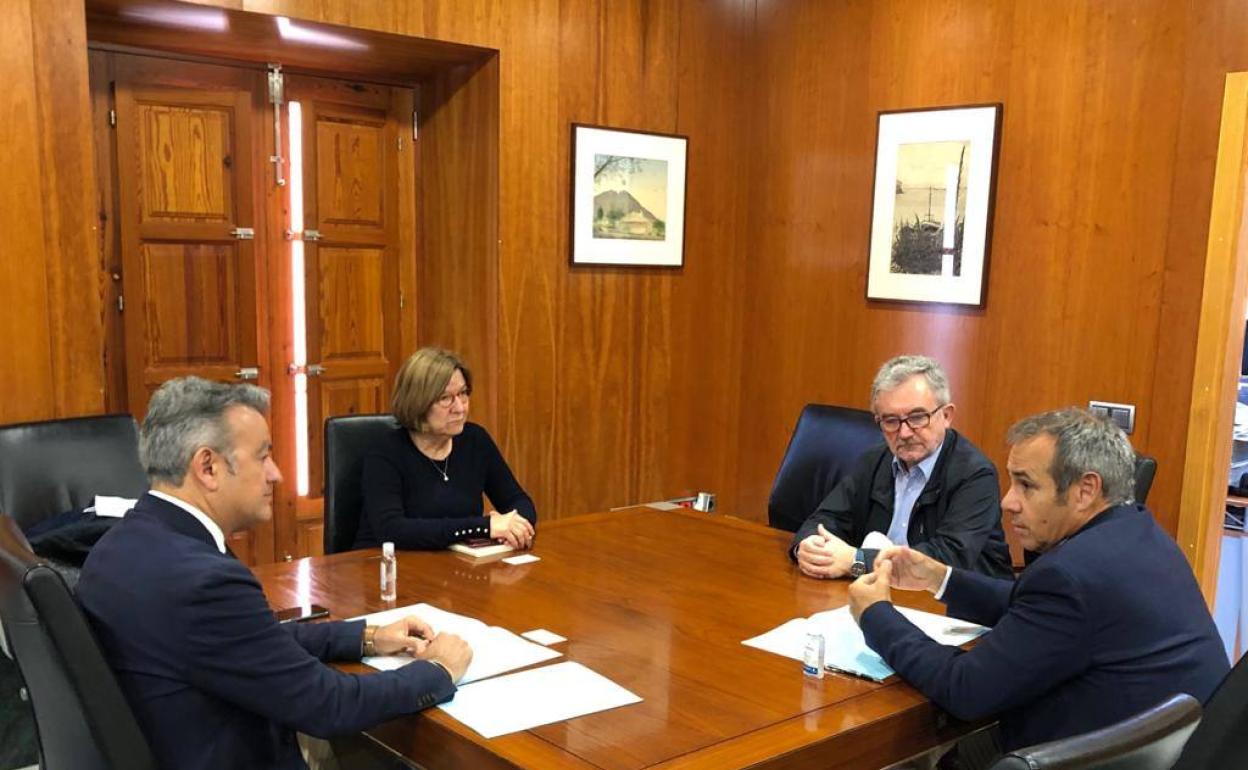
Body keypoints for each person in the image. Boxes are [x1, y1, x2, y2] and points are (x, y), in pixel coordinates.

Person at [77, 377, 472, 770]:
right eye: (263, 456)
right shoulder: (202, 581)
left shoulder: (121, 545)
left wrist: (365, 637)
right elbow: (328, 704)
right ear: (208, 466)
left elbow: (249, 640)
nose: (276, 474)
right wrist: (436, 670)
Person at [848, 408, 1229, 754]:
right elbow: (1035, 605)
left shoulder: (1070, 576)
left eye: (1026, 485)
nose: (1008, 502)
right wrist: (940, 579)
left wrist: (876, 614)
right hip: (1166, 752)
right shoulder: (1137, 532)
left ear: (1085, 490)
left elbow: (964, 690)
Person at [790, 355, 1012, 580]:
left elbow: (948, 558)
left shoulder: (975, 475)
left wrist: (857, 561)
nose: (904, 433)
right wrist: (809, 547)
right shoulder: (874, 461)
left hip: (960, 606)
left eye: (917, 417)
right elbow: (826, 518)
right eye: (891, 421)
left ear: (946, 416)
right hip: (886, 594)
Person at [354, 347, 537, 551]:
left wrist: (514, 526)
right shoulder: (385, 452)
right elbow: (393, 530)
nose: (460, 408)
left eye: (463, 393)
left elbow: (517, 499)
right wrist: (484, 527)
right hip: (387, 569)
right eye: (445, 398)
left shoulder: (475, 440)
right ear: (418, 403)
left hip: (454, 567)